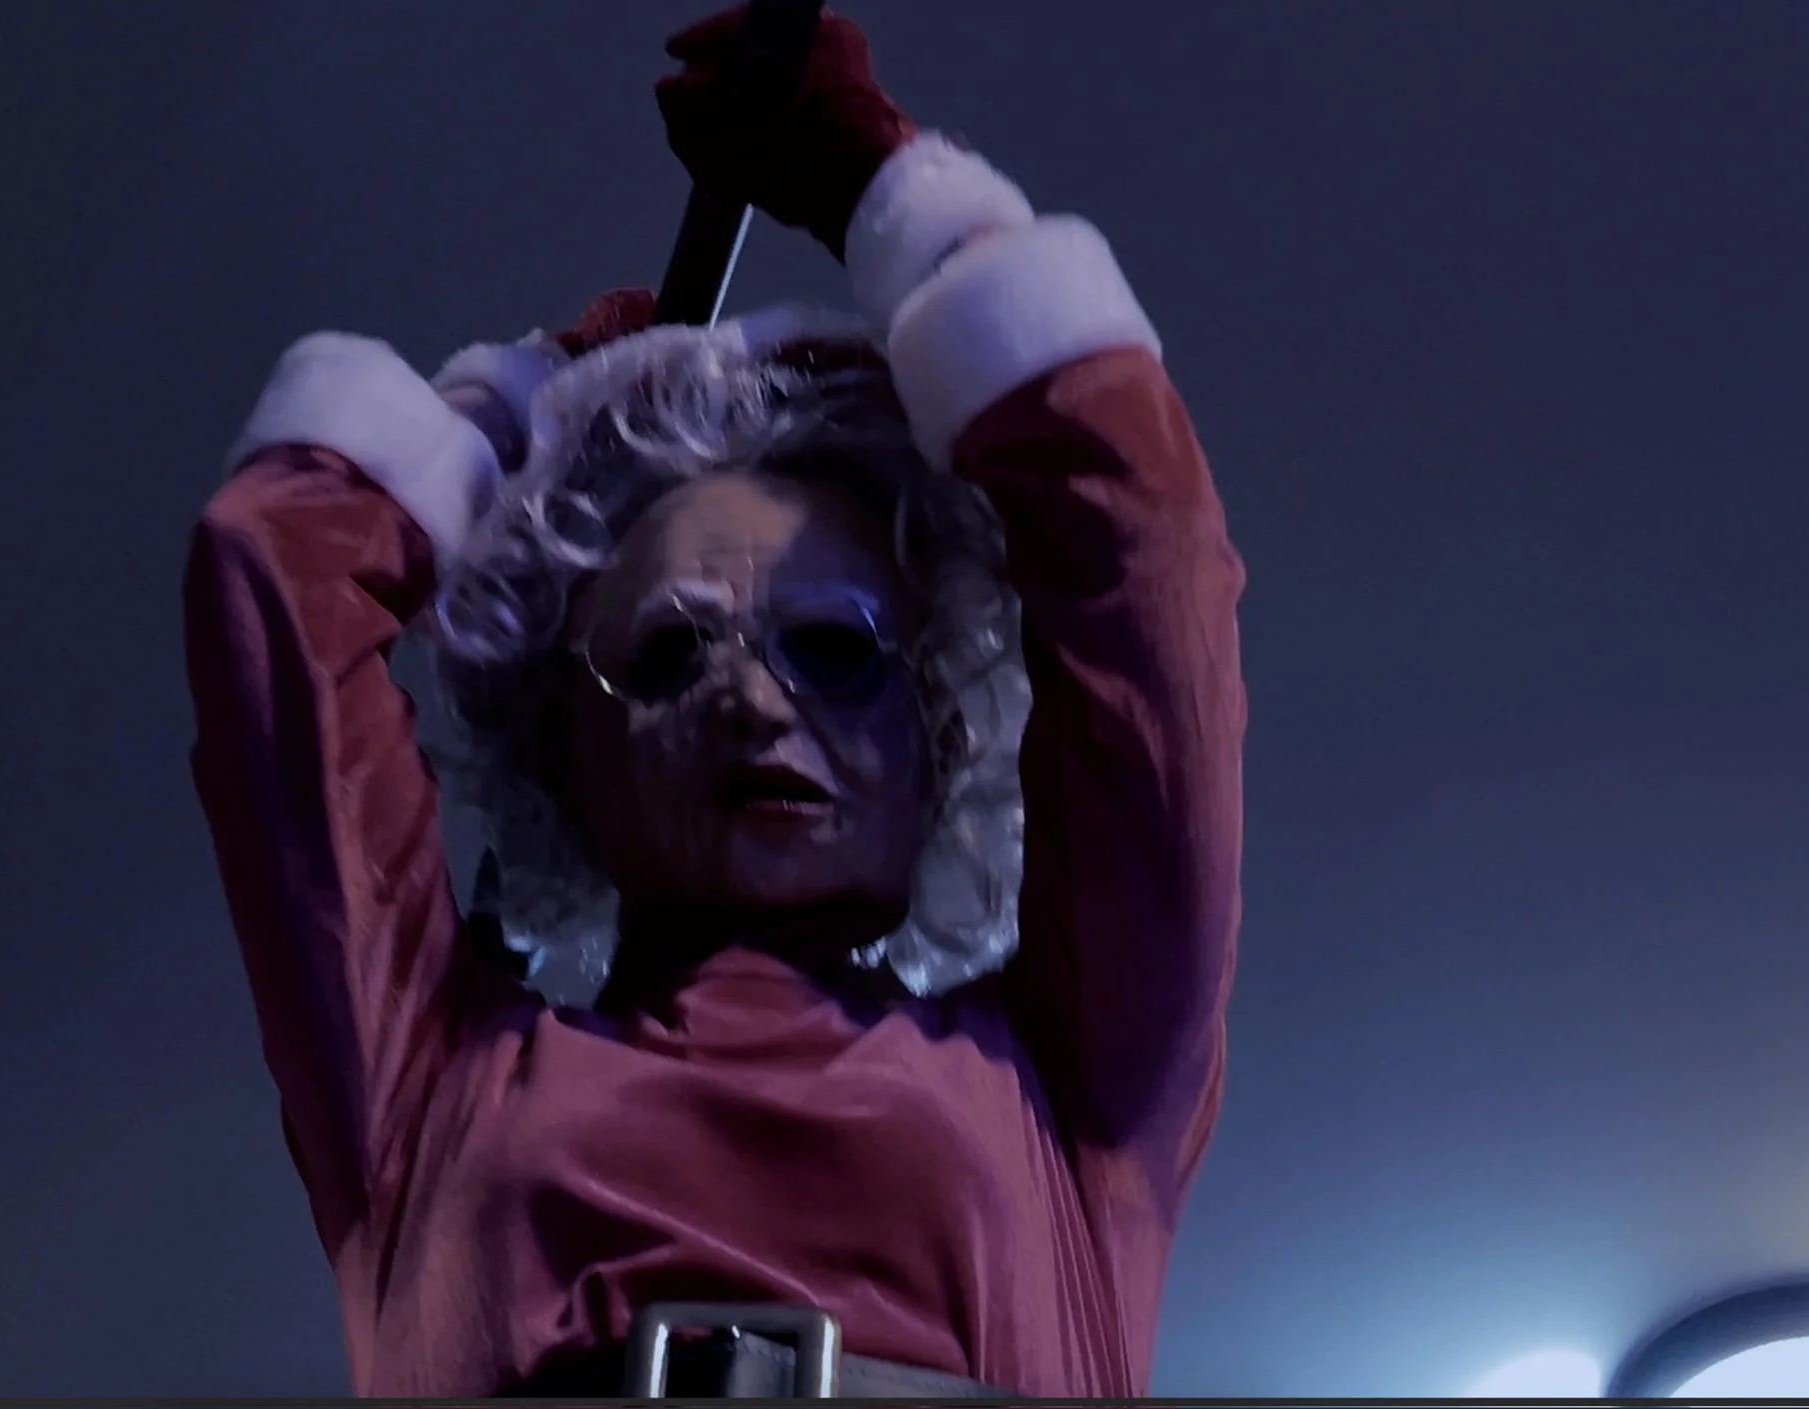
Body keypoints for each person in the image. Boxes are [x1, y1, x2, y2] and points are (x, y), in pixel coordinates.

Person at [184, 7, 1245, 1398]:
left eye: (840, 648)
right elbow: (273, 580)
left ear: (936, 734)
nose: (753, 699)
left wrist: (888, 191)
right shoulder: (424, 1083)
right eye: (672, 652)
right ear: (562, 747)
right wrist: (510, 406)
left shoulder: (1080, 1077)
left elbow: (1142, 559)